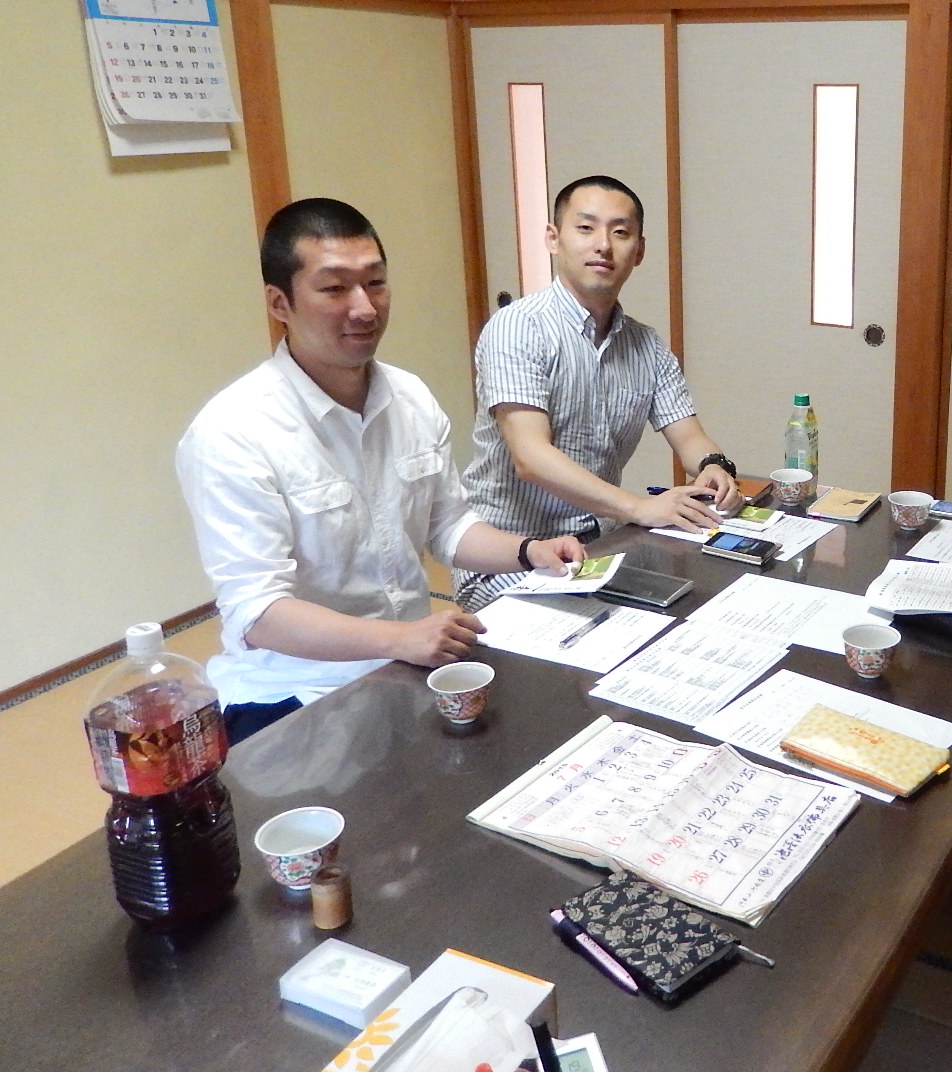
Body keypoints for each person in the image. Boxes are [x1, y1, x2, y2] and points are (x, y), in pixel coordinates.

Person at [177, 198, 586, 745]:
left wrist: (529, 551)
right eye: (334, 288)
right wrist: (400, 638)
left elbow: (448, 527)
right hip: (293, 691)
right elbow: (258, 612)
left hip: (408, 668)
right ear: (279, 303)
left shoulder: (409, 397)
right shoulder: (231, 431)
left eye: (376, 283)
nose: (365, 308)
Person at [456, 174, 741, 611]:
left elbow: (690, 438)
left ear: (639, 251)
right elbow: (530, 457)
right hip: (510, 558)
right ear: (553, 239)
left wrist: (714, 467)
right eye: (586, 228)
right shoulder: (518, 327)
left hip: (600, 547)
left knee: (701, 607)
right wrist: (639, 508)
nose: (603, 245)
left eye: (620, 232)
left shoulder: (646, 345)